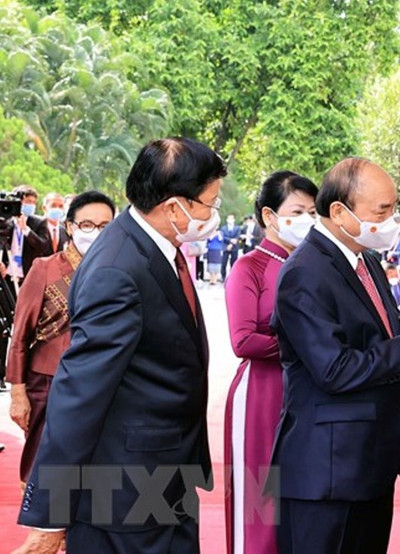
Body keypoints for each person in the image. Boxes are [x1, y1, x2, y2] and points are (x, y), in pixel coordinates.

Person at [13, 137, 226, 554]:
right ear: (174, 207)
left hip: (165, 472)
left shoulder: (155, 248)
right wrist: (52, 512)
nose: (212, 214)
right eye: (209, 203)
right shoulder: (117, 269)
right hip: (125, 493)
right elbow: (79, 393)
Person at [267, 157, 400, 554]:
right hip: (327, 470)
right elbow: (334, 369)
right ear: (339, 211)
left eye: (394, 209)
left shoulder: (366, 261)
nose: (391, 221)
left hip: (368, 462)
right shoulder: (306, 271)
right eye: (381, 211)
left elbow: (389, 334)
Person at [224, 171, 318, 554]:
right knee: (260, 498)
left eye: (313, 212)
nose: (307, 220)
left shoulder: (314, 266)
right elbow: (243, 340)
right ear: (269, 216)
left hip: (308, 390)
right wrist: (309, 346)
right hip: (262, 393)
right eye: (297, 211)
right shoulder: (250, 268)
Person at [7, 191, 115, 487]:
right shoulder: (45, 268)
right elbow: (20, 335)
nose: (95, 232)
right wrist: (18, 393)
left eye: (105, 226)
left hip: (101, 382)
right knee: (42, 464)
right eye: (87, 225)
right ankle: (42, 515)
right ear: (70, 226)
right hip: (47, 381)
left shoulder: (118, 272)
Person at [19, 192, 70, 277]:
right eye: (53, 205)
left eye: (61, 206)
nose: (57, 209)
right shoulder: (32, 225)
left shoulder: (65, 230)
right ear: (44, 208)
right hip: (32, 275)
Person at [221, 213, 241, 280]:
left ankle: (233, 277)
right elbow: (223, 237)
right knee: (224, 263)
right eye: (229, 219)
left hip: (234, 247)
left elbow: (238, 237)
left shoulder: (237, 228)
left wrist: (231, 244)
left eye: (231, 219)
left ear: (234, 220)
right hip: (225, 247)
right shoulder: (223, 228)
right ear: (227, 220)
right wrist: (230, 240)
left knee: (233, 263)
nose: (230, 220)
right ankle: (223, 277)